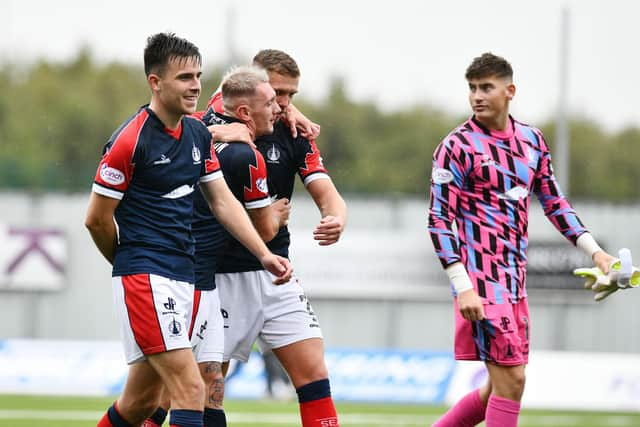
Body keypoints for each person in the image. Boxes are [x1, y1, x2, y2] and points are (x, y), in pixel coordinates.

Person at [84, 33, 292, 427]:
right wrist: (130, 264)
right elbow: (96, 219)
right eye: (184, 78)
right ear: (155, 82)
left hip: (189, 277)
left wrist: (264, 254)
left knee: (140, 402)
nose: (195, 85)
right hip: (149, 275)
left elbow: (222, 201)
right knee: (191, 389)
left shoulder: (197, 133)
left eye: (198, 75)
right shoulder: (131, 140)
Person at [427, 52, 615, 427]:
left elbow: (555, 203)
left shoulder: (532, 141)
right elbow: (438, 218)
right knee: (512, 380)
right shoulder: (457, 146)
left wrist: (596, 253)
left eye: (486, 87)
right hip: (480, 282)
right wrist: (462, 285)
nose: (477, 96)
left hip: (514, 281)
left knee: (500, 387)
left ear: (509, 91)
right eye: (472, 88)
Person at [144, 64, 288, 427]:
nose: (281, 108)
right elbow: (265, 228)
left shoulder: (191, 133)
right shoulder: (245, 156)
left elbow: (229, 95)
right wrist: (274, 217)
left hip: (199, 282)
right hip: (184, 282)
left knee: (206, 384)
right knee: (158, 392)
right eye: (274, 101)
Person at [209, 49, 347, 427]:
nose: (284, 104)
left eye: (290, 96)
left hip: (276, 274)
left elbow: (326, 190)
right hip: (221, 277)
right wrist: (215, 131)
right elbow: (175, 135)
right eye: (277, 94)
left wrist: (335, 217)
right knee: (198, 391)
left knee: (314, 374)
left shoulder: (291, 131)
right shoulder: (210, 125)